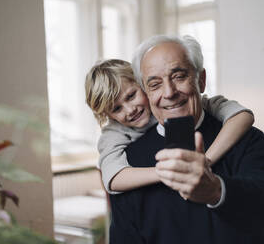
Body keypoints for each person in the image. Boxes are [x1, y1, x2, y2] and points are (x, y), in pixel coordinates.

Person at [108, 35, 264, 243]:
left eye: (179, 76)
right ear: (146, 93)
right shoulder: (129, 161)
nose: (169, 92)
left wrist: (216, 191)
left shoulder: (249, 140)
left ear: (201, 80)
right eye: (155, 85)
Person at [85, 59, 254, 194]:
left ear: (143, 84)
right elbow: (114, 179)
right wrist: (171, 171)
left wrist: (205, 161)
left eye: (131, 96)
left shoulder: (178, 104)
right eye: (116, 109)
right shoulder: (113, 133)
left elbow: (242, 116)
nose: (130, 110)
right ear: (108, 116)